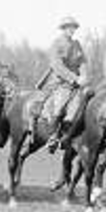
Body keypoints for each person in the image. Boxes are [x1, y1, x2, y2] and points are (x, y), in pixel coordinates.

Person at [40, 16, 88, 152]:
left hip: (77, 84)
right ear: (63, 29)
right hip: (60, 83)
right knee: (61, 103)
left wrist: (84, 75)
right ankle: (53, 137)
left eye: (73, 27)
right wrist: (74, 78)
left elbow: (83, 62)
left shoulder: (77, 44)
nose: (71, 30)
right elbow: (57, 66)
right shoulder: (56, 44)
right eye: (68, 27)